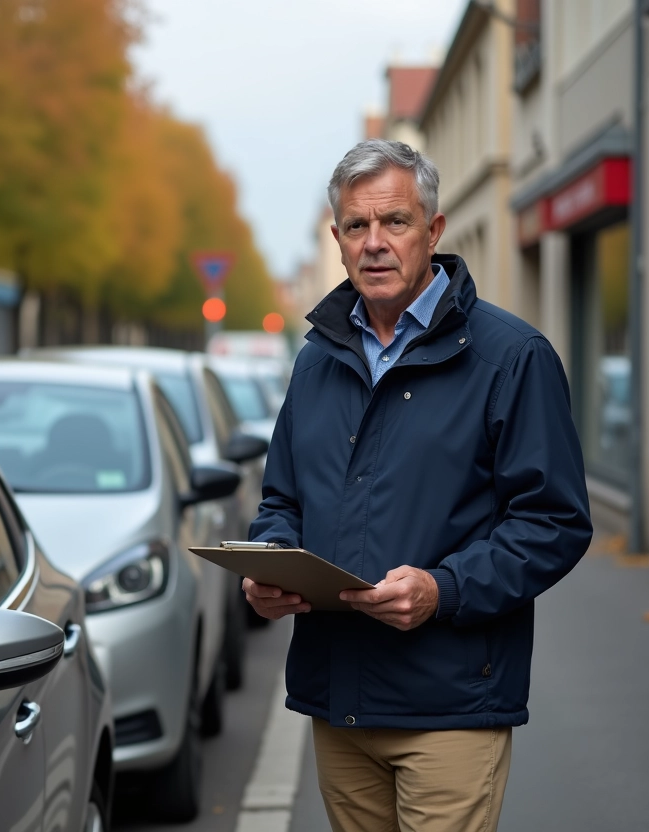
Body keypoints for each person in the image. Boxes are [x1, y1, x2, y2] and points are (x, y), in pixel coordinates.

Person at [244, 139, 592, 832]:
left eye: (394, 223)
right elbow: (281, 498)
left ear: (433, 231)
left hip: (450, 708)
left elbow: (554, 522)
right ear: (337, 237)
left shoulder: (512, 358)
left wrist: (446, 589)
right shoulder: (317, 361)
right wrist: (268, 567)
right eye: (356, 226)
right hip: (336, 699)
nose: (375, 244)